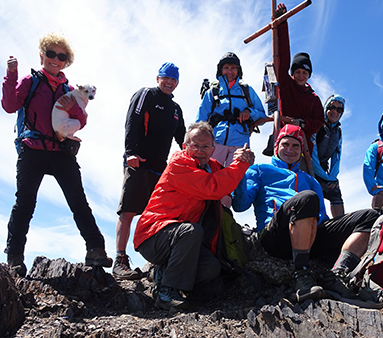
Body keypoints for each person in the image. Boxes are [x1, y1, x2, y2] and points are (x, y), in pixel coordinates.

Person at [2, 32, 112, 277]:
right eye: (51, 53)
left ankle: (95, 249)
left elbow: (81, 118)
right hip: (32, 148)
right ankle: (14, 258)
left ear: (66, 61)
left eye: (61, 56)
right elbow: (9, 106)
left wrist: (73, 123)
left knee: (78, 200)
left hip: (62, 151)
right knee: (25, 202)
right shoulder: (30, 81)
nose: (56, 59)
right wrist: (11, 76)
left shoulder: (70, 89)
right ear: (42, 55)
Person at [233, 124, 379, 302]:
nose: (290, 149)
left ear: (302, 151)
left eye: (296, 146)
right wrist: (240, 170)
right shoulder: (259, 170)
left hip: (309, 235)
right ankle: (301, 275)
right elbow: (240, 205)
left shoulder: (310, 180)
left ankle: (339, 272)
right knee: (306, 199)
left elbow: (323, 218)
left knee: (370, 216)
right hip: (274, 236)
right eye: (285, 144)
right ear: (276, 147)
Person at [133, 121, 254, 310]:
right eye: (194, 145)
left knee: (211, 268)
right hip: (153, 236)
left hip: (180, 240)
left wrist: (242, 157)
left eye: (205, 146)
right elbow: (214, 187)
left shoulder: (213, 167)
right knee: (191, 231)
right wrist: (240, 164)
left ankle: (164, 274)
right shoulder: (178, 164)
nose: (200, 150)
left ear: (213, 149)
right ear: (184, 146)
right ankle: (166, 291)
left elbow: (230, 178)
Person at [113, 62, 186, 280]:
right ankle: (120, 260)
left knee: (156, 216)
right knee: (127, 212)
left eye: (173, 80)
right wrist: (130, 153)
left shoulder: (175, 109)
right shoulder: (145, 94)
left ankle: (153, 261)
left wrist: (195, 159)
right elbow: (132, 122)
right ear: (158, 78)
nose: (169, 83)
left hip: (159, 169)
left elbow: (182, 137)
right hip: (138, 162)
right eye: (166, 78)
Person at [196, 53, 266, 186]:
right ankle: (210, 207)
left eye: (233, 68)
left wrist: (249, 112)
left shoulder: (246, 90)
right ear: (220, 70)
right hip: (215, 143)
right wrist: (198, 143)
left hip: (239, 144)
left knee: (234, 183)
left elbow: (261, 114)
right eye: (226, 67)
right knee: (209, 179)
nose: (229, 71)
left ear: (238, 70)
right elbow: (200, 120)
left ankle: (226, 207)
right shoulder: (212, 91)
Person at [263, 4, 324, 157]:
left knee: (302, 179)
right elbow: (282, 58)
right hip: (283, 142)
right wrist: (282, 23)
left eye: (304, 72)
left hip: (303, 148)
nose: (300, 76)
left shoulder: (314, 99)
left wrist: (302, 123)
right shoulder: (286, 85)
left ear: (309, 75)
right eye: (297, 72)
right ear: (292, 73)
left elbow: (318, 122)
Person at [311, 95, 346, 217]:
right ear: (326, 108)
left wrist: (332, 177)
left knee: (335, 192)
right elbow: (312, 154)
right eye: (332, 107)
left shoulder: (338, 132)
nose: (335, 111)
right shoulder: (318, 126)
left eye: (339, 110)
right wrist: (324, 176)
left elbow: (337, 157)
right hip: (309, 167)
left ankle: (341, 227)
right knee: (312, 196)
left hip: (324, 171)